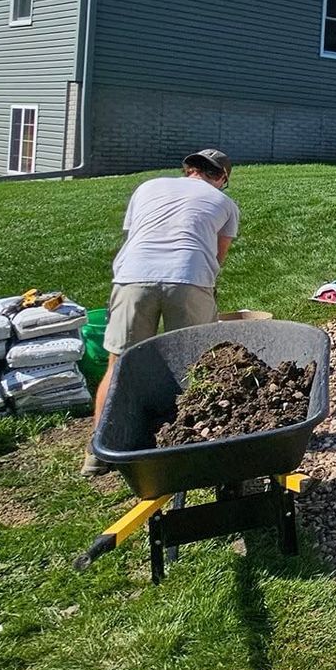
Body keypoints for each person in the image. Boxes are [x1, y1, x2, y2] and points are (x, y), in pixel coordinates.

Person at [82, 148, 239, 475]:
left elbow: (137, 235)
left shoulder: (147, 187)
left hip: (132, 277)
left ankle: (99, 450)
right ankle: (193, 442)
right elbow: (218, 258)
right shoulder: (225, 203)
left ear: (189, 170)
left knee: (120, 362)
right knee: (199, 361)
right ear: (222, 178)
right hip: (189, 278)